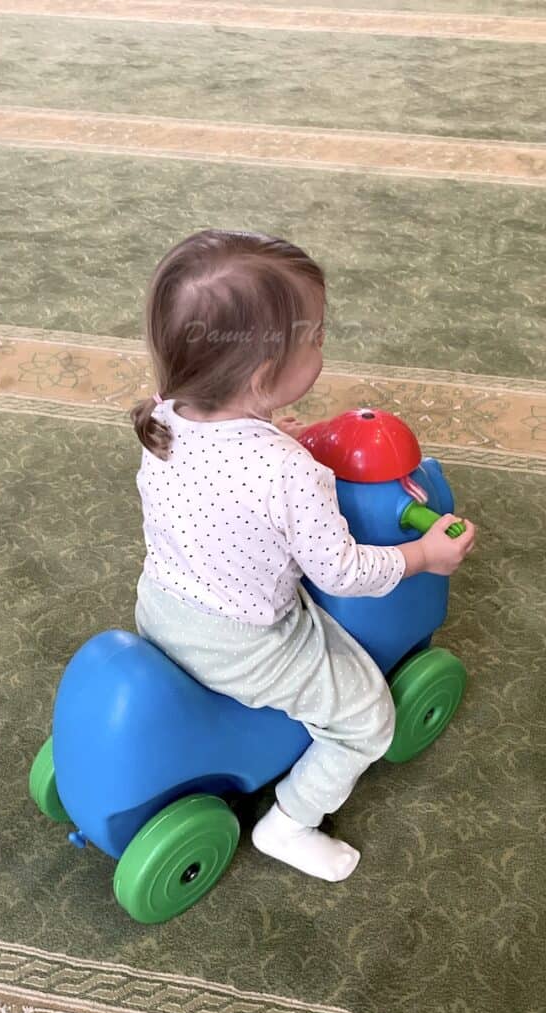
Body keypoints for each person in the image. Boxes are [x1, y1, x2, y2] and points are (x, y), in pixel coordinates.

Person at [131, 229, 475, 882]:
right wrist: (422, 557)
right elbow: (340, 570)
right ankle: (289, 824)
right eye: (314, 336)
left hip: (160, 607)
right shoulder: (288, 473)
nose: (322, 344)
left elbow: (223, 474)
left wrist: (259, 425)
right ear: (262, 377)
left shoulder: (165, 415)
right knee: (364, 720)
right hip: (246, 641)